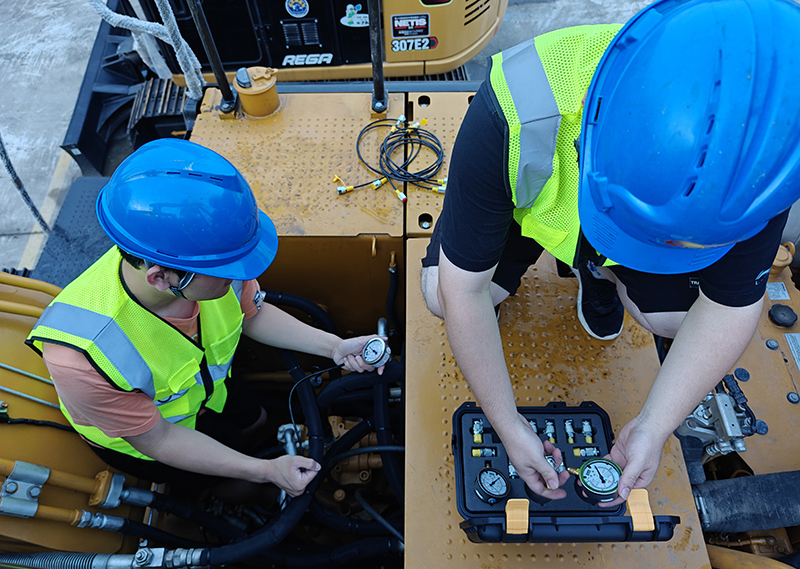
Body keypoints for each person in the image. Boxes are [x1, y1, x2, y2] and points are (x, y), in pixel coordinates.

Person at [421, 0, 800, 505]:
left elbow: (730, 306)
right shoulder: (514, 108)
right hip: (525, 207)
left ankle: (599, 275)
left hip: (616, 230)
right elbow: (464, 292)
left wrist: (654, 425)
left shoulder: (760, 165)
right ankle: (588, 260)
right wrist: (507, 424)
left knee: (673, 321)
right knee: (439, 295)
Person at [27, 139, 382, 499]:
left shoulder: (199, 266)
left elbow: (253, 315)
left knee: (256, 420)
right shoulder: (83, 356)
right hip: (156, 440)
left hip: (212, 390)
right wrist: (264, 471)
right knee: (219, 486)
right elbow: (160, 439)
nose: (239, 276)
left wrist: (335, 347)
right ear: (162, 278)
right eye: (227, 272)